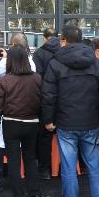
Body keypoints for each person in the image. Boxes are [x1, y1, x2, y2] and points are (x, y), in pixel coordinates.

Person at [42, 24, 99, 197]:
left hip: (66, 123)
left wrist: (48, 120)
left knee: (69, 167)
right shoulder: (96, 63)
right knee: (95, 166)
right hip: (91, 122)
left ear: (63, 40)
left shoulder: (55, 63)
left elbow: (48, 95)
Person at [0, 47, 42, 197]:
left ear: (10, 61)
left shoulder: (4, 80)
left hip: (11, 123)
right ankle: (35, 195)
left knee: (13, 161)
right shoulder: (37, 78)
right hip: (32, 123)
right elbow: (43, 101)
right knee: (30, 159)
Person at [32, 28, 59, 180]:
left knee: (44, 137)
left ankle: (45, 169)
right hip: (63, 98)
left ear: (44, 38)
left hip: (45, 97)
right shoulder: (63, 51)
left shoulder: (39, 53)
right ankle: (65, 167)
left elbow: (37, 77)